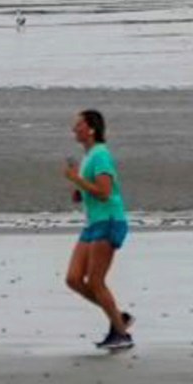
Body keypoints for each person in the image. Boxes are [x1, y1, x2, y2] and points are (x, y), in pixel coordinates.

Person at [63, 108, 134, 351]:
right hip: (92, 223)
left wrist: (76, 180)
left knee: (95, 281)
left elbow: (104, 192)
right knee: (73, 279)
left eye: (79, 125)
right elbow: (90, 190)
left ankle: (121, 334)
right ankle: (118, 317)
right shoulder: (88, 156)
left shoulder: (101, 154)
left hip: (109, 220)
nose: (74, 129)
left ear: (91, 129)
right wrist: (78, 190)